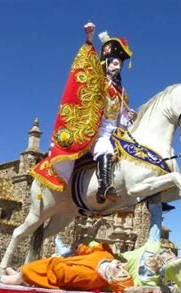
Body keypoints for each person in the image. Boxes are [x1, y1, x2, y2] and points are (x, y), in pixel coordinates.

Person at [31, 21, 136, 205]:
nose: (117, 68)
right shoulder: (98, 82)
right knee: (105, 148)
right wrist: (89, 39)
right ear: (107, 63)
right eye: (114, 63)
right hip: (98, 131)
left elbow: (121, 121)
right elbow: (86, 66)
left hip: (116, 133)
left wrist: (129, 117)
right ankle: (104, 186)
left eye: (119, 64)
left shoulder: (122, 94)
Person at [0, 242, 133, 293]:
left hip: (52, 274)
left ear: (111, 279)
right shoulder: (106, 256)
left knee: (34, 271)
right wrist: (81, 248)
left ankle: (20, 278)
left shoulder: (90, 277)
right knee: (36, 265)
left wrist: (57, 260)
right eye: (123, 268)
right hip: (62, 262)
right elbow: (93, 251)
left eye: (120, 273)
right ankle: (20, 273)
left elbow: (65, 275)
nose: (120, 267)